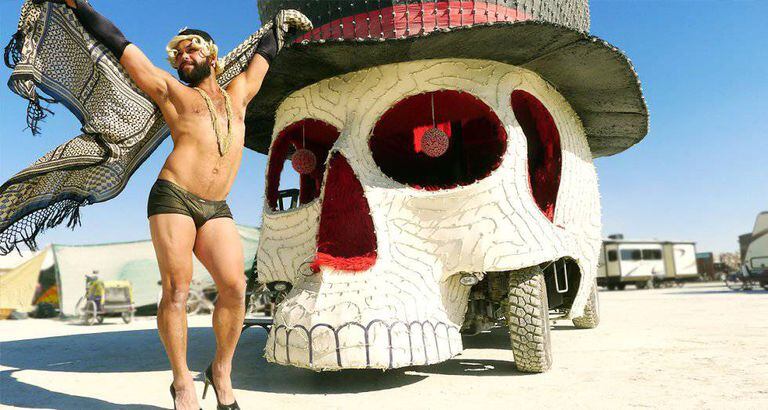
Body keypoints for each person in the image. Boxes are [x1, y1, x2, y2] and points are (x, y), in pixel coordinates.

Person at [51, 1, 310, 409]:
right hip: (173, 197)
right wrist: (79, 6)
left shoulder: (238, 95)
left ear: (212, 55)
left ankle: (220, 370)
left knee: (235, 287)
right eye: (178, 54)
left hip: (216, 206)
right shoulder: (172, 92)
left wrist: (279, 29)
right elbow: (121, 44)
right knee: (176, 290)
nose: (183, 57)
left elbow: (263, 58)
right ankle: (182, 382)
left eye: (191, 49)